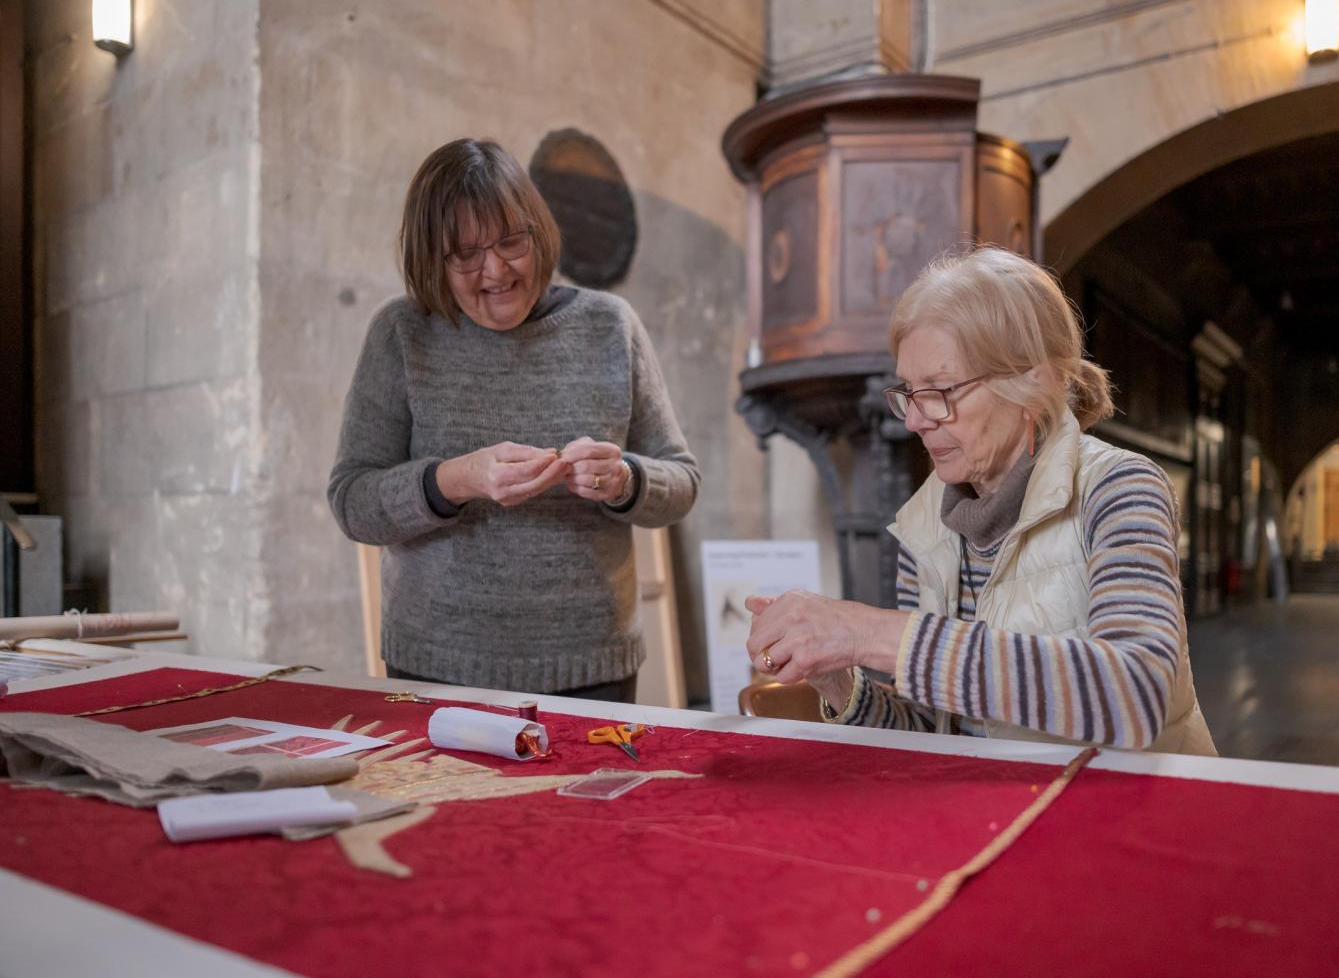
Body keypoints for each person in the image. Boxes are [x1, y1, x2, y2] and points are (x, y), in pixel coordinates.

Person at [744, 247, 1216, 754]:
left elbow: (1136, 694)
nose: (915, 419)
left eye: (940, 389)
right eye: (909, 391)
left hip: (1129, 811)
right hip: (1001, 806)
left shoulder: (1119, 488)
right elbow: (934, 734)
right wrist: (837, 680)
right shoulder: (926, 524)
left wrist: (872, 633)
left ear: (1028, 383)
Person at [329, 138, 699, 702]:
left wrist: (625, 480)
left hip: (593, 666)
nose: (496, 270)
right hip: (437, 667)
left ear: (539, 233)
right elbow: (353, 501)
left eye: (510, 243)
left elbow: (682, 481)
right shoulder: (402, 333)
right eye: (465, 254)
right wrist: (458, 479)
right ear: (433, 258)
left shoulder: (609, 326)